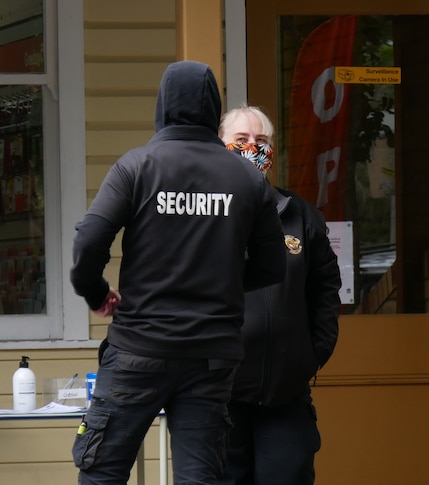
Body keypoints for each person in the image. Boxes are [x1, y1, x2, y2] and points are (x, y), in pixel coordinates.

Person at [69, 62, 286, 485]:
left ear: (162, 105)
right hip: (211, 356)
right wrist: (222, 282)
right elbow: (271, 265)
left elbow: (89, 241)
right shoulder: (246, 178)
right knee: (200, 478)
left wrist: (96, 293)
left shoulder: (137, 166)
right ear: (213, 110)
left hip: (138, 348)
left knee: (103, 473)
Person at [217, 106, 341, 485]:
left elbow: (325, 293)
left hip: (286, 400)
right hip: (220, 399)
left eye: (261, 141)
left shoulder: (302, 217)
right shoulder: (204, 217)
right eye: (240, 140)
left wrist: (309, 355)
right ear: (219, 146)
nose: (252, 148)